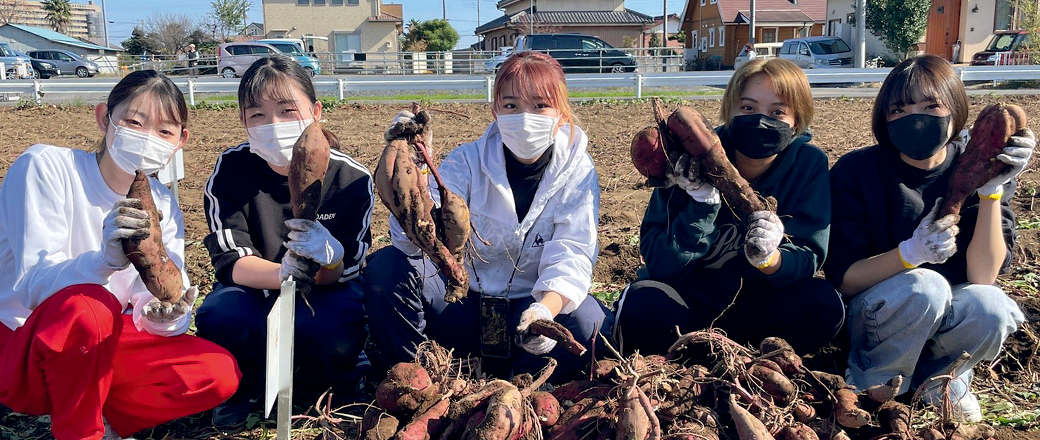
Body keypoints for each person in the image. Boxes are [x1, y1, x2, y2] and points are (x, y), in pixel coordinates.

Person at [0, 70, 240, 440]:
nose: (147, 138)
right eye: (133, 122)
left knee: (215, 373)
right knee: (90, 306)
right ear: (103, 118)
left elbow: (156, 292)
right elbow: (33, 288)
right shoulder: (46, 167)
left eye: (164, 131)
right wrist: (105, 260)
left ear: (180, 141)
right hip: (23, 345)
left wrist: (166, 313)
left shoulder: (161, 201)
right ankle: (80, 432)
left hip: (101, 343)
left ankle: (104, 419)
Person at [364, 51, 611, 381]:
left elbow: (573, 252)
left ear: (562, 113)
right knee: (385, 268)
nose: (525, 117)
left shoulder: (577, 171)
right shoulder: (467, 160)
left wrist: (544, 311)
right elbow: (415, 241)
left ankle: (524, 384)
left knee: (588, 321)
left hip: (529, 306)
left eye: (540, 106)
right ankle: (417, 380)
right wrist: (415, 171)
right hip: (462, 301)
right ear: (495, 111)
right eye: (511, 105)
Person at [826, 54, 1029, 422]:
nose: (915, 118)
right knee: (925, 285)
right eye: (899, 110)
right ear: (883, 119)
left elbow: (983, 276)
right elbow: (845, 279)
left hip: (948, 315)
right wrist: (910, 254)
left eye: (931, 105)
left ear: (955, 107)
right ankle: (875, 379)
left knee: (991, 304)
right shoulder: (857, 172)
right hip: (878, 314)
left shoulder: (978, 166)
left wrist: (991, 191)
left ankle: (942, 379)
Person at [613, 58, 845, 356]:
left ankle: (761, 356)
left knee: (823, 305)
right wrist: (702, 205)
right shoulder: (686, 161)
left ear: (797, 121)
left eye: (777, 112)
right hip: (691, 303)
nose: (761, 120)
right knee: (642, 305)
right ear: (730, 111)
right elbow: (659, 264)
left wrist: (770, 259)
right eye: (748, 108)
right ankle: (694, 358)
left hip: (762, 308)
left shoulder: (808, 164)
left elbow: (809, 255)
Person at [196, 55, 373, 426]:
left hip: (327, 289)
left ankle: (343, 384)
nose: (273, 125)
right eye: (257, 115)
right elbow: (231, 258)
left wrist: (329, 258)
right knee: (223, 315)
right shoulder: (231, 169)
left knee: (333, 326)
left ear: (316, 112)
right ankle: (244, 388)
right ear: (243, 120)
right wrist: (284, 274)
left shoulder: (350, 177)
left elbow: (347, 267)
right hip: (254, 286)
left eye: (287, 111)